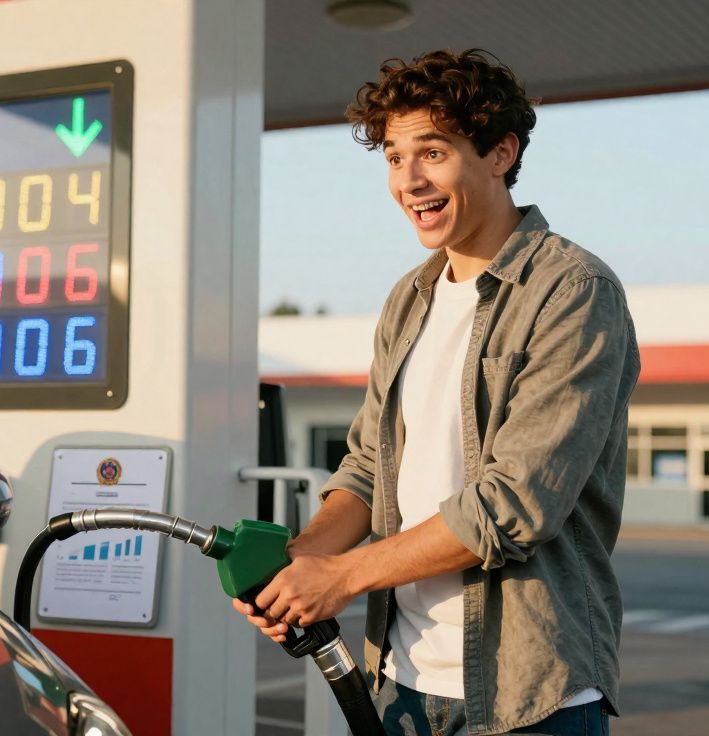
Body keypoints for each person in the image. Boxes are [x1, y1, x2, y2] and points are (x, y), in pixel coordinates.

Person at [234, 49, 639, 735]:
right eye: (394, 158)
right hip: (400, 678)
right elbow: (367, 466)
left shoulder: (573, 291)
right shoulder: (408, 298)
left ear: (499, 153)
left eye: (433, 151)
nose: (409, 179)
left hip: (527, 694)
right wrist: (305, 562)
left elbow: (514, 504)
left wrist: (344, 577)